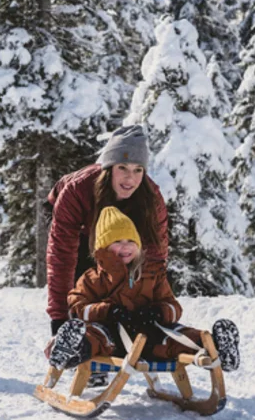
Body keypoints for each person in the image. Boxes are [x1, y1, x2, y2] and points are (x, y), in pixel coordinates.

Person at [48, 207, 240, 372]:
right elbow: (77, 306)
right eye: (117, 241)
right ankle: (73, 349)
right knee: (96, 335)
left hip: (149, 335)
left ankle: (216, 347)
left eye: (130, 241)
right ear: (103, 247)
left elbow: (173, 307)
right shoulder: (93, 278)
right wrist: (108, 310)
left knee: (177, 336)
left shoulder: (152, 273)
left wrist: (158, 312)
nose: (125, 246)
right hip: (113, 337)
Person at [45, 124, 168, 336]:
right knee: (88, 278)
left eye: (137, 170)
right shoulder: (78, 191)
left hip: (120, 227)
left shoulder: (151, 198)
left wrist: (152, 308)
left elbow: (156, 257)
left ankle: (114, 327)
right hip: (81, 224)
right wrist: (59, 317)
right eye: (123, 168)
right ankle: (87, 339)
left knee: (125, 263)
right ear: (109, 167)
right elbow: (61, 256)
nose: (130, 179)